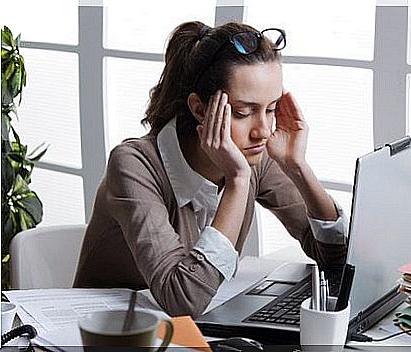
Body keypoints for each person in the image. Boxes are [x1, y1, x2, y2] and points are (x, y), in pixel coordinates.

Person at [73, 21, 348, 318]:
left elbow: (338, 261)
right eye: (244, 113)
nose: (264, 131)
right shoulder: (134, 165)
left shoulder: (256, 153)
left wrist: (297, 166)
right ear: (201, 109)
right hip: (105, 335)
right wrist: (238, 181)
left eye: (271, 109)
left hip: (192, 333)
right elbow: (183, 299)